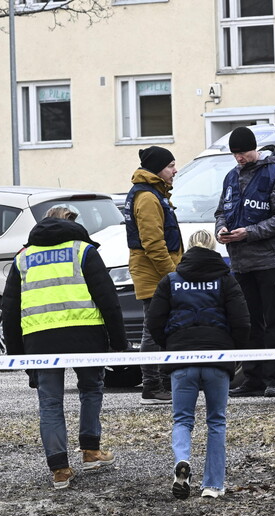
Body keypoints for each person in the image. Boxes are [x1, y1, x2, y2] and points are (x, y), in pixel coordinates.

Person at [2, 206, 128, 489]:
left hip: (39, 340)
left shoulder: (23, 258)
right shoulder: (83, 251)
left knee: (50, 403)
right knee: (91, 389)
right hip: (85, 336)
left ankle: (59, 470)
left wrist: (18, 356)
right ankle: (91, 451)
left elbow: (8, 310)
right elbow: (108, 299)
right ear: (73, 225)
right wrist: (120, 344)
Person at [145, 229, 250, 500]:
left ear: (188, 249)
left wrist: (170, 344)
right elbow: (241, 321)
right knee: (216, 421)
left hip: (182, 359)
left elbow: (154, 321)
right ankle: (212, 485)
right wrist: (232, 350)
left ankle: (183, 461)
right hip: (217, 358)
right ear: (213, 248)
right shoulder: (226, 279)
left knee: (182, 419)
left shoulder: (171, 280)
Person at [214, 126, 275, 398]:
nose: (239, 158)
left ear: (254, 149)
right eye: (235, 154)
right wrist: (222, 230)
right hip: (241, 264)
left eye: (243, 153)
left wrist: (249, 233)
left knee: (272, 322)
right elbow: (221, 212)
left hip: (271, 263)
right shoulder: (230, 177)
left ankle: (273, 380)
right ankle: (252, 378)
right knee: (248, 324)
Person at [125, 146, 183, 404]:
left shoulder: (153, 193)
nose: (175, 170)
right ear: (158, 168)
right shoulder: (148, 197)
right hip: (155, 275)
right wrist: (172, 275)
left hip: (156, 273)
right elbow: (153, 244)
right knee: (153, 330)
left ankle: (163, 383)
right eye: (171, 165)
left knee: (162, 329)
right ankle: (151, 385)